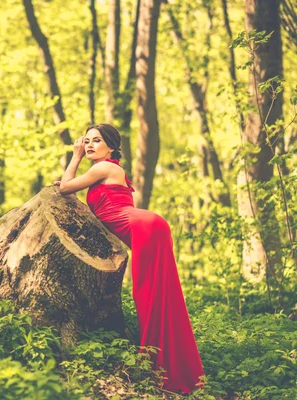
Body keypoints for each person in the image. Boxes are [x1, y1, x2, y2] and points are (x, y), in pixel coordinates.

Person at [54, 124, 205, 394]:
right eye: (86, 141)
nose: (88, 145)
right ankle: (169, 366)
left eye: (96, 141)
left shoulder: (104, 167)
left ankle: (162, 370)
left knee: (147, 294)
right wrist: (69, 182)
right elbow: (69, 188)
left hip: (145, 228)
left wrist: (75, 157)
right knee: (158, 294)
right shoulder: (105, 171)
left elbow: (65, 188)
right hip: (147, 226)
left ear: (110, 147)